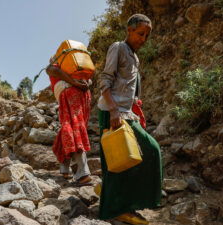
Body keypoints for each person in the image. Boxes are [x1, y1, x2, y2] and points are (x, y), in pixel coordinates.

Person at [97, 14, 163, 224]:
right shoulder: (118, 47)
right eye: (140, 33)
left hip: (127, 113)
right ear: (129, 30)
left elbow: (131, 87)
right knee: (118, 161)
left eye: (146, 36)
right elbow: (105, 79)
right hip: (113, 112)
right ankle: (116, 209)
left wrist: (135, 105)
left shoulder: (135, 57)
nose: (143, 39)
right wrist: (114, 110)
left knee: (146, 152)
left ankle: (125, 201)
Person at [46, 57, 93, 186]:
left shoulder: (57, 65)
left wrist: (75, 83)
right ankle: (64, 168)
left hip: (70, 93)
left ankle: (83, 172)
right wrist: (79, 83)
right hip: (84, 95)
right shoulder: (77, 67)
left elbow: (51, 69)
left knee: (73, 128)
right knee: (72, 127)